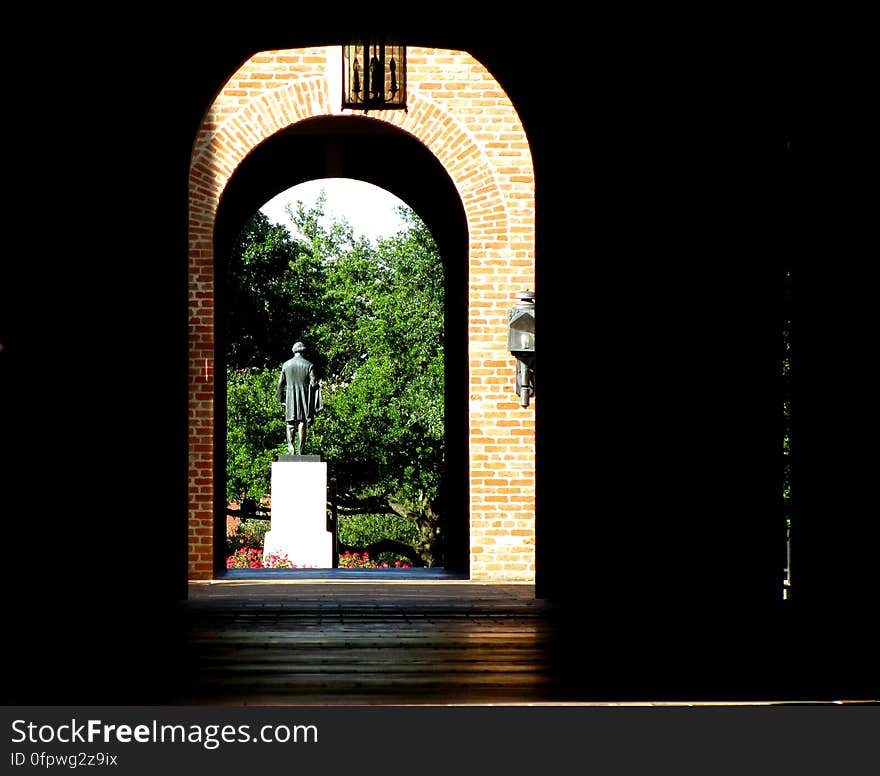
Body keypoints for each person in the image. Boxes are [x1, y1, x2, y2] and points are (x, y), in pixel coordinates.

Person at [277, 341, 322, 455]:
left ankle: (291, 450)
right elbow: (313, 384)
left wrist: (280, 400)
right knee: (302, 422)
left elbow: (280, 384)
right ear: (303, 351)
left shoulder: (286, 365)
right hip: (303, 398)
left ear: (294, 350)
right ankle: (301, 451)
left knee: (290, 423)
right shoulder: (309, 365)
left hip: (290, 398)